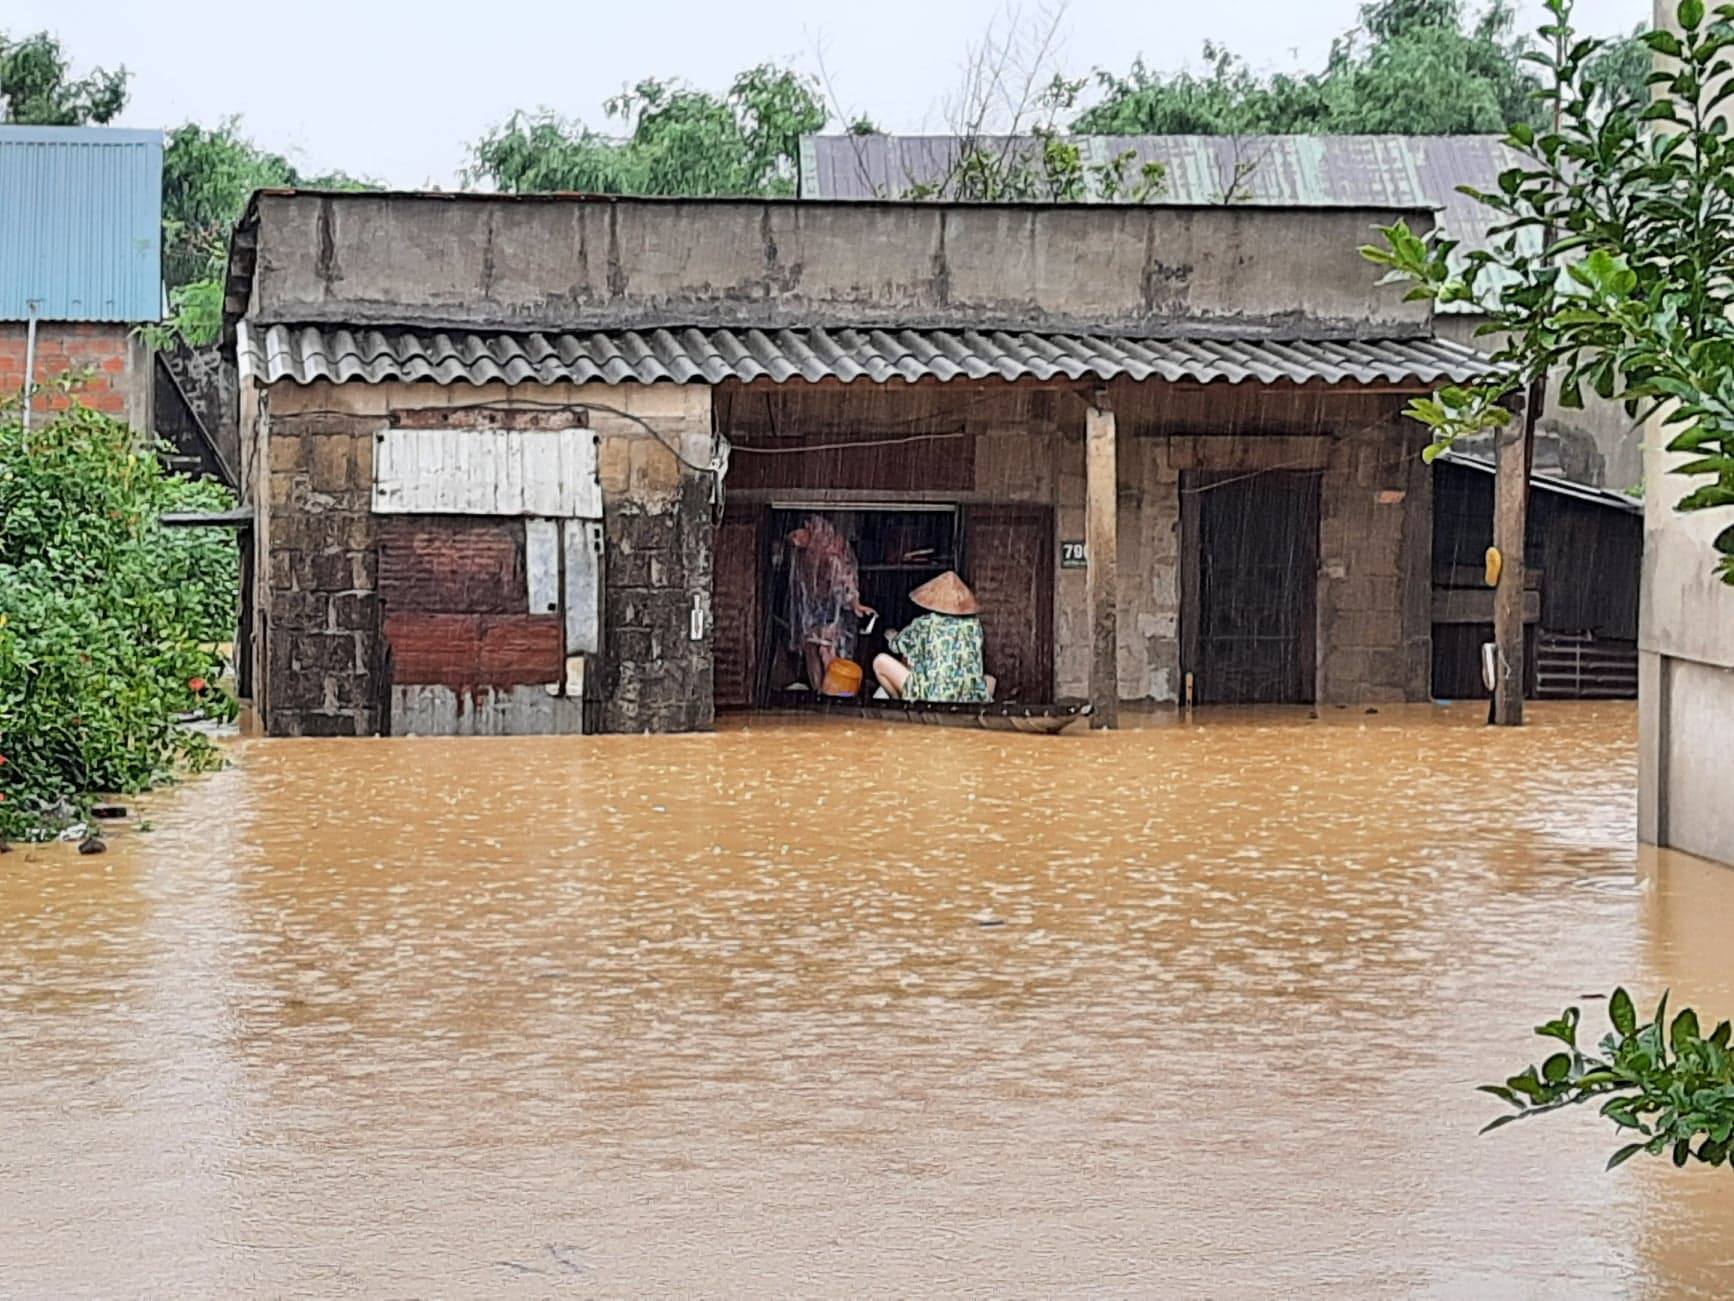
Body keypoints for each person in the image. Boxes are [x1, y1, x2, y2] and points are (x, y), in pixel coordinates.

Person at [873, 571, 994, 703]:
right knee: (990, 680)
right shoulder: (974, 625)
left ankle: (899, 703)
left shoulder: (925, 623)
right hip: (966, 696)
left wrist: (891, 635)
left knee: (879, 662)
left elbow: (896, 646)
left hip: (931, 694)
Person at [786, 515, 874, 691]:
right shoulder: (802, 555)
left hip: (833, 611)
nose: (796, 542)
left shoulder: (831, 548)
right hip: (811, 612)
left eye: (797, 535)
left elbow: (846, 578)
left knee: (827, 650)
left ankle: (833, 692)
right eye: (792, 539)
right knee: (812, 648)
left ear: (807, 527)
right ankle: (818, 691)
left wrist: (854, 602)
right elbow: (801, 591)